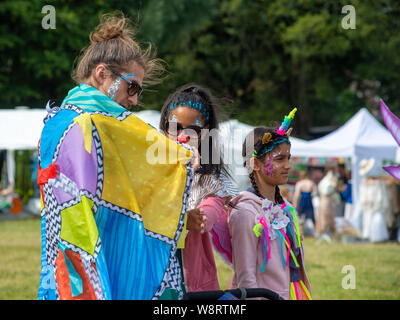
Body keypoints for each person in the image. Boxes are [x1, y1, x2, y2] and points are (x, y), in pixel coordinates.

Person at [37, 13, 195, 300]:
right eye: (131, 87)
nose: (134, 99)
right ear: (101, 74)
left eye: (139, 91)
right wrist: (179, 156)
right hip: (84, 253)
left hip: (68, 258)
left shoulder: (57, 122)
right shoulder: (87, 124)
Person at [159, 83, 238, 297]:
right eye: (175, 127)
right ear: (165, 127)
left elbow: (201, 222)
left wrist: (186, 173)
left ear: (205, 134)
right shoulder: (150, 173)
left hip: (192, 285)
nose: (182, 136)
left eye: (192, 129)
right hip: (153, 276)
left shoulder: (212, 183)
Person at [228, 109, 312, 300]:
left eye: (288, 158)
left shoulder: (287, 209)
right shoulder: (244, 213)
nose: (288, 165)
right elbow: (246, 279)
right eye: (279, 159)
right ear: (255, 164)